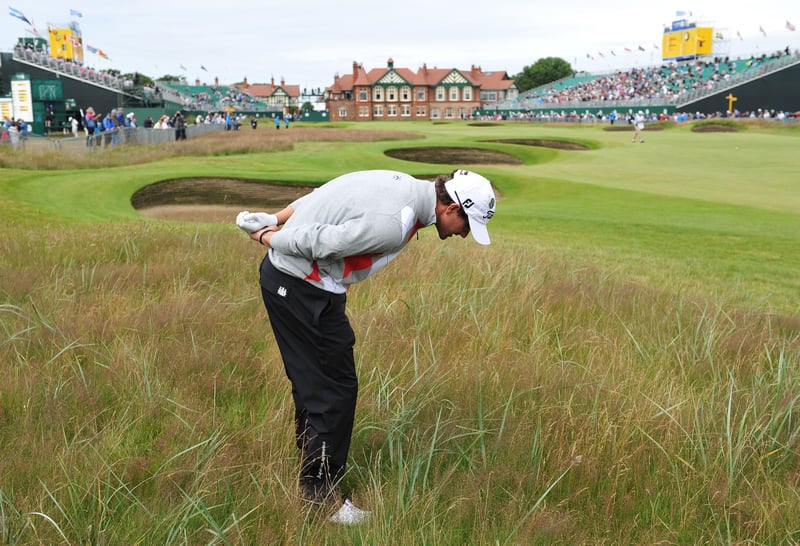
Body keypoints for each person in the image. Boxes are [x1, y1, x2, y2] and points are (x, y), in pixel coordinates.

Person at [236, 169, 496, 524]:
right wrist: (269, 234)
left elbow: (321, 194)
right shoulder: (393, 223)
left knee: (317, 385)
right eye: (467, 226)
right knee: (334, 391)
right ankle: (321, 500)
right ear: (451, 208)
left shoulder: (401, 183)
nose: (464, 235)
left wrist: (275, 216)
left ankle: (312, 476)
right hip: (301, 288)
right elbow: (319, 241)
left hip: (298, 286)